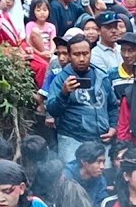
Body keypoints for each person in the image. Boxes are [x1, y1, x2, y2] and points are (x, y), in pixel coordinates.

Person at [47, 34, 121, 162]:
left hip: (101, 140)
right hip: (72, 140)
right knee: (72, 179)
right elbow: (52, 110)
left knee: (105, 178)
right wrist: (63, 93)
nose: (81, 58)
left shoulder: (101, 76)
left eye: (85, 53)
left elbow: (113, 106)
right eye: (76, 54)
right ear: (69, 56)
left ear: (90, 53)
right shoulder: (61, 79)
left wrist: (113, 127)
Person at [66, 140, 111, 207]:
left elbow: (102, 204)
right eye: (98, 162)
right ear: (84, 162)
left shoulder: (101, 179)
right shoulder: (66, 176)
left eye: (103, 162)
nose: (102, 167)